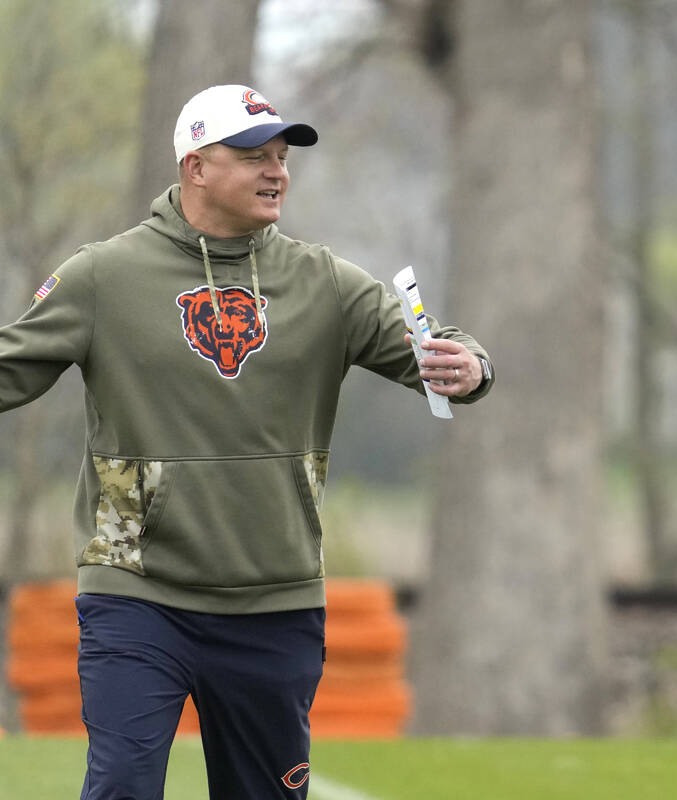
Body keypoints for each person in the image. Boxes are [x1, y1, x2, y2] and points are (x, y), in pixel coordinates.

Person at [0, 84, 494, 799]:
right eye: (254, 156)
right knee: (121, 790)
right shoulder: (102, 276)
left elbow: (436, 346)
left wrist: (469, 367)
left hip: (276, 603)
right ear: (195, 167)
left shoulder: (323, 281)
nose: (277, 172)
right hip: (137, 593)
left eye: (282, 157)